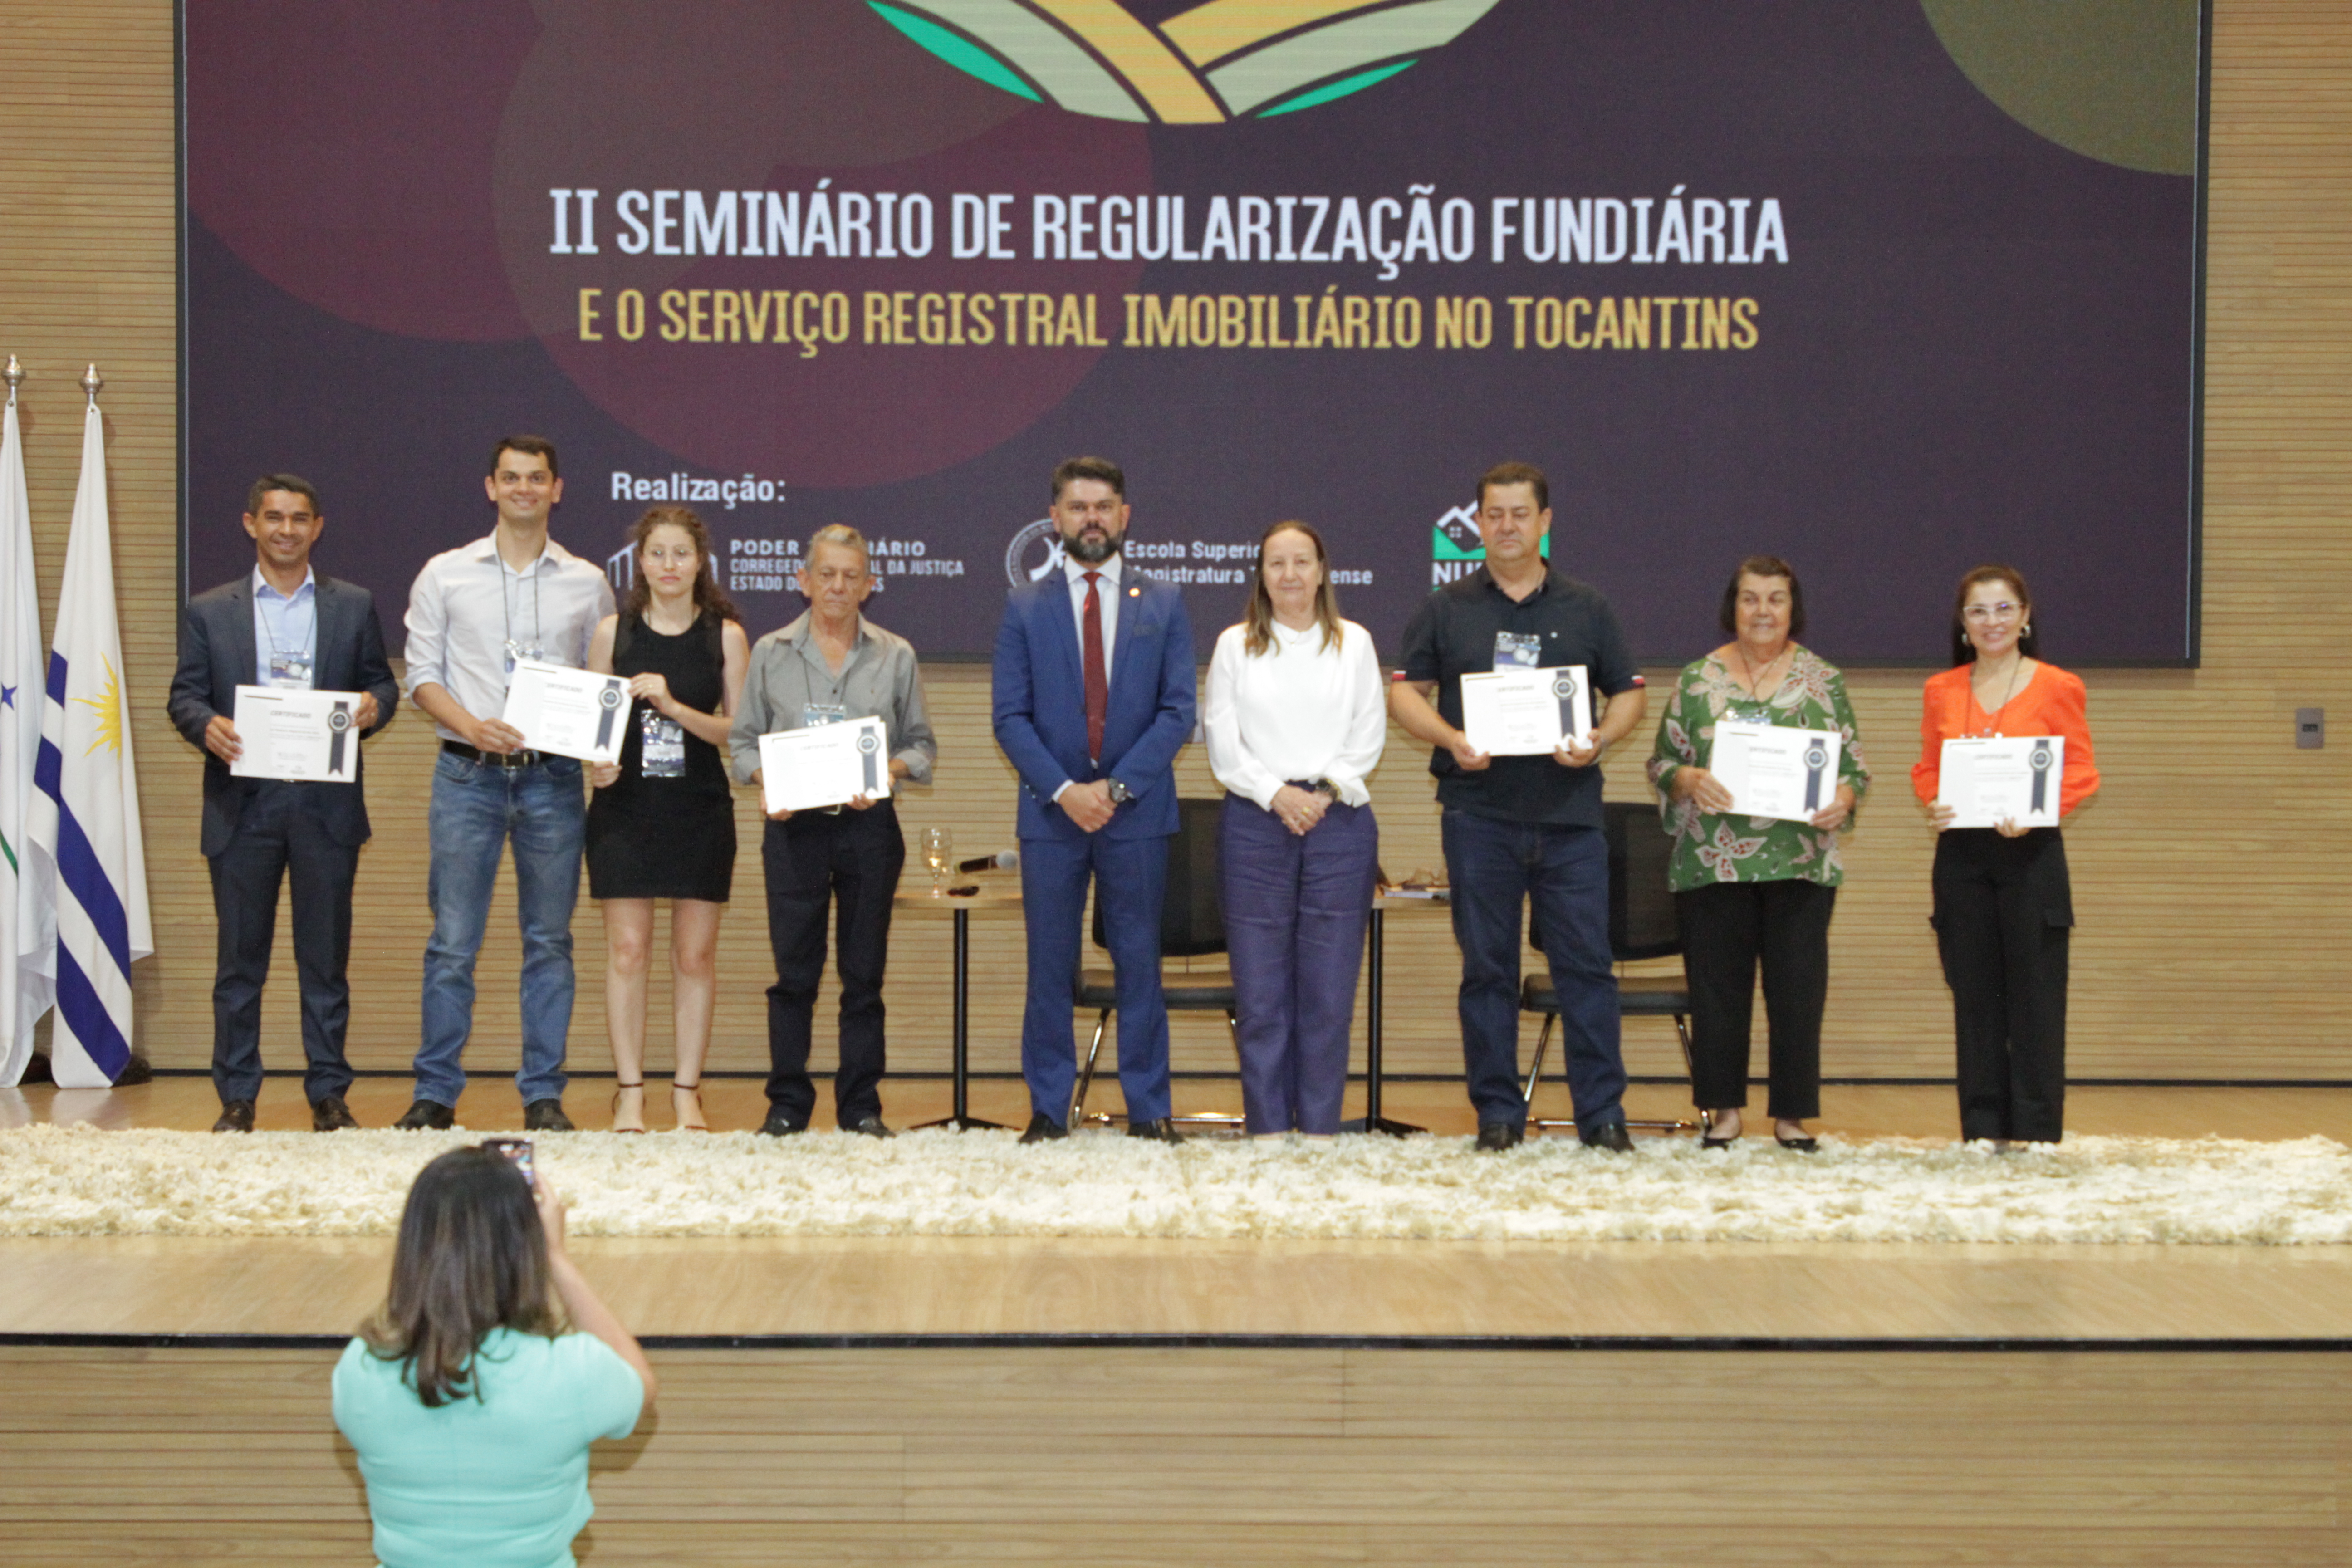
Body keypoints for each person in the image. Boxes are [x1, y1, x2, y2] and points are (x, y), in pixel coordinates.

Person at [1389, 461, 1647, 1152]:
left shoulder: (1587, 607)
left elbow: (1629, 694)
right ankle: (1498, 1115)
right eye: (1494, 515)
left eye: (1519, 514)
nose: (1506, 526)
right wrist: (1451, 738)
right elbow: (1405, 693)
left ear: (1546, 522)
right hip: (1479, 817)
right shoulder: (1446, 609)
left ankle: (1602, 1116)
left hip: (1571, 821)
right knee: (1488, 970)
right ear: (1477, 524)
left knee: (1587, 969)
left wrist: (1599, 739)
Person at [167, 474, 398, 1134]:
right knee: (240, 964)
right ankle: (238, 1097)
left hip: (326, 807)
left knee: (325, 963)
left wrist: (374, 707)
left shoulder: (352, 605)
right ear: (250, 524)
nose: (287, 530)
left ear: (317, 527)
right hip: (244, 807)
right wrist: (203, 724)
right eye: (274, 518)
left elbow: (381, 684)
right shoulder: (211, 609)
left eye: (300, 518)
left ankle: (329, 1094)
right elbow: (184, 695)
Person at [399, 436, 616, 1133]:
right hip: (467, 776)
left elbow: (600, 684)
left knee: (549, 943)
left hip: (553, 783)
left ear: (557, 490)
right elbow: (421, 677)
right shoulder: (444, 574)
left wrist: (597, 749)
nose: (524, 488)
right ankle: (435, 1094)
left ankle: (543, 1095)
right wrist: (472, 724)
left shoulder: (587, 582)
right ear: (490, 486)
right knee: (453, 944)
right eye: (511, 477)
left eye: (537, 478)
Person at [991, 456, 1198, 1144]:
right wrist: (1065, 791)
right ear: (1055, 519)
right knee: (1050, 964)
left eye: (1104, 506)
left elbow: (1177, 712)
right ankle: (1050, 1109)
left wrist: (1112, 789)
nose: (1092, 519)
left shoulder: (1163, 601)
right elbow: (1009, 718)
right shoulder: (1025, 605)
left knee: (1139, 962)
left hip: (1135, 812)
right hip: (1052, 816)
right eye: (1078, 507)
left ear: (1124, 516)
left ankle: (1148, 1109)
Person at [333, 1146, 655, 1568]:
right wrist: (556, 1257)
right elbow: (639, 1383)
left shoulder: (360, 1368)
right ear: (526, 1246)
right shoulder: (571, 1370)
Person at [1646, 557, 1869, 1152]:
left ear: (1793, 609)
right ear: (1733, 607)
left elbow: (1855, 769)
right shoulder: (1696, 680)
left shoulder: (1825, 680)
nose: (1763, 611)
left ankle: (1793, 1116)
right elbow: (1660, 762)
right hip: (1711, 863)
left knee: (1798, 993)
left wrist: (1844, 798)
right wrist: (1687, 779)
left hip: (1800, 862)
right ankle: (1724, 1114)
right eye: (1751, 599)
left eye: (1776, 599)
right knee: (1718, 992)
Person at [728, 524, 935, 1138]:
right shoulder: (770, 652)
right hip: (795, 833)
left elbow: (922, 747)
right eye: (827, 574)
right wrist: (769, 782)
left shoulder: (896, 654)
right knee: (794, 975)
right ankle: (787, 1105)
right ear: (804, 581)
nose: (838, 586)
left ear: (870, 585)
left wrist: (887, 771)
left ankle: (861, 1107)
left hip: (870, 831)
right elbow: (741, 744)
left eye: (852, 575)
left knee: (863, 976)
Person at [1202, 521, 1385, 1136]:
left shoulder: (1354, 643)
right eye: (1276, 564)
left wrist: (1322, 791)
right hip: (1257, 824)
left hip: (1340, 823)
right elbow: (1224, 743)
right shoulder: (1236, 645)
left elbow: (1368, 733)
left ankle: (1321, 1132)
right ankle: (1269, 1132)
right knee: (1260, 997)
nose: (1289, 576)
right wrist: (1277, 794)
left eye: (1301, 562)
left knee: (1329, 997)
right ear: (1261, 576)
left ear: (1322, 570)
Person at [1911, 564, 2098, 1146]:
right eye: (1977, 611)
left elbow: (2082, 771)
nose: (1991, 622)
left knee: (2037, 997)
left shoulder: (2058, 685)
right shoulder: (1940, 689)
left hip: (2032, 854)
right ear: (1962, 625)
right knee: (1975, 995)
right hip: (1962, 857)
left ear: (2025, 617)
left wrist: (2041, 811)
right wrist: (1934, 800)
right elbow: (1928, 768)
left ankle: (2038, 1131)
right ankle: (1984, 1128)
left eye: (2002, 609)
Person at [584, 506, 749, 1134]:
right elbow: (592, 725)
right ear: (640, 562)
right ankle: (629, 1091)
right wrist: (595, 762)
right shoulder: (612, 632)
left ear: (700, 562)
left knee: (694, 957)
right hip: (625, 810)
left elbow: (739, 731)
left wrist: (674, 706)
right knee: (627, 953)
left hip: (699, 808)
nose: (670, 566)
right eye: (658, 553)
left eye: (682, 554)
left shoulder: (725, 635)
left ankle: (686, 1091)